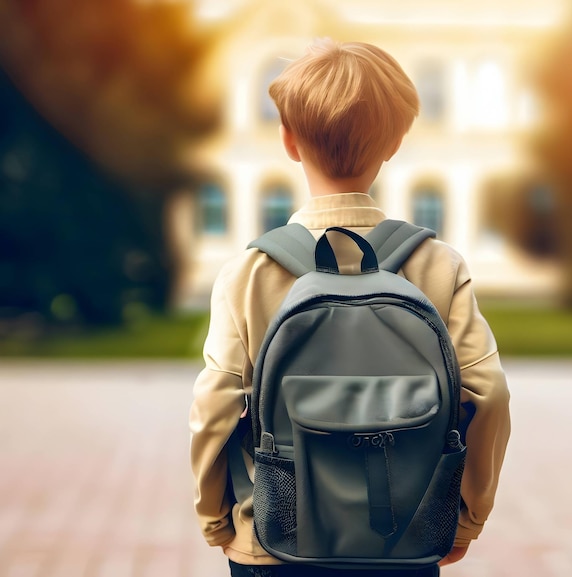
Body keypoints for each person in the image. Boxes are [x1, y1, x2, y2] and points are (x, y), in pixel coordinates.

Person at [190, 39, 511, 577]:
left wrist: (218, 521)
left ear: (288, 141)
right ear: (397, 141)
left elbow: (214, 407)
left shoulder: (248, 273)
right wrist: (465, 519)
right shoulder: (440, 265)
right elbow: (490, 394)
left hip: (274, 536)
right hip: (408, 535)